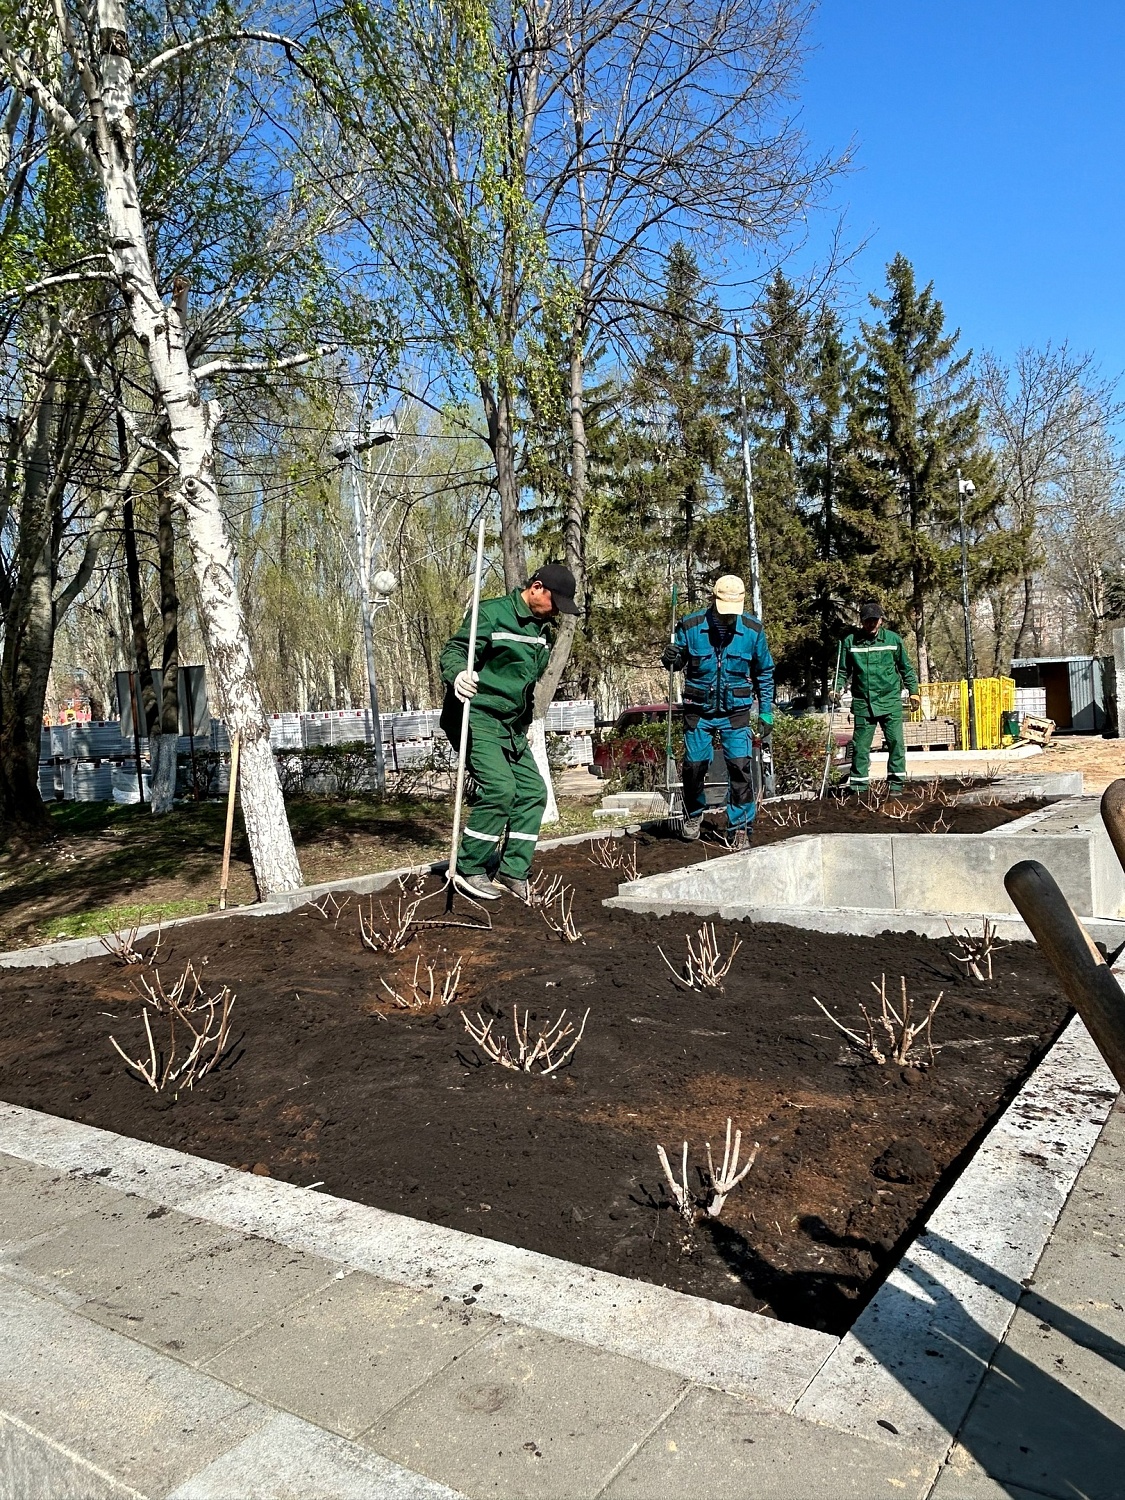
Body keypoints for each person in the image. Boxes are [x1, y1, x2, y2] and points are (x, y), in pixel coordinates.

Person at [439, 562, 579, 900]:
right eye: (555, 603)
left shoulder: (541, 631)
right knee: (501, 789)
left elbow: (526, 684)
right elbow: (455, 651)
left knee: (532, 793)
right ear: (536, 588)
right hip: (478, 718)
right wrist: (459, 675)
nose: (556, 613)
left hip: (512, 726)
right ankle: (470, 867)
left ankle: (512, 871)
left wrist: (527, 721)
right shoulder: (491, 614)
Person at [661, 574, 775, 850]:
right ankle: (693, 814)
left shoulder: (753, 630)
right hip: (698, 710)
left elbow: (765, 672)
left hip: (735, 711)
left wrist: (766, 711)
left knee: (740, 769)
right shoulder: (690, 626)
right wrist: (671, 659)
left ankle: (740, 828)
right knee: (694, 768)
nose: (728, 618)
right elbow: (676, 664)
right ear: (713, 600)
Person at [834, 601, 920, 794]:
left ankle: (896, 785)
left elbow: (906, 668)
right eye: (867, 621)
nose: (871, 624)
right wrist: (836, 689)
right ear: (862, 621)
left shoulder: (892, 640)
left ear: (881, 620)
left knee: (896, 743)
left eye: (875, 620)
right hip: (864, 703)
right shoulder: (850, 642)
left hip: (890, 702)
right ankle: (858, 787)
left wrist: (913, 691)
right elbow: (842, 670)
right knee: (860, 747)